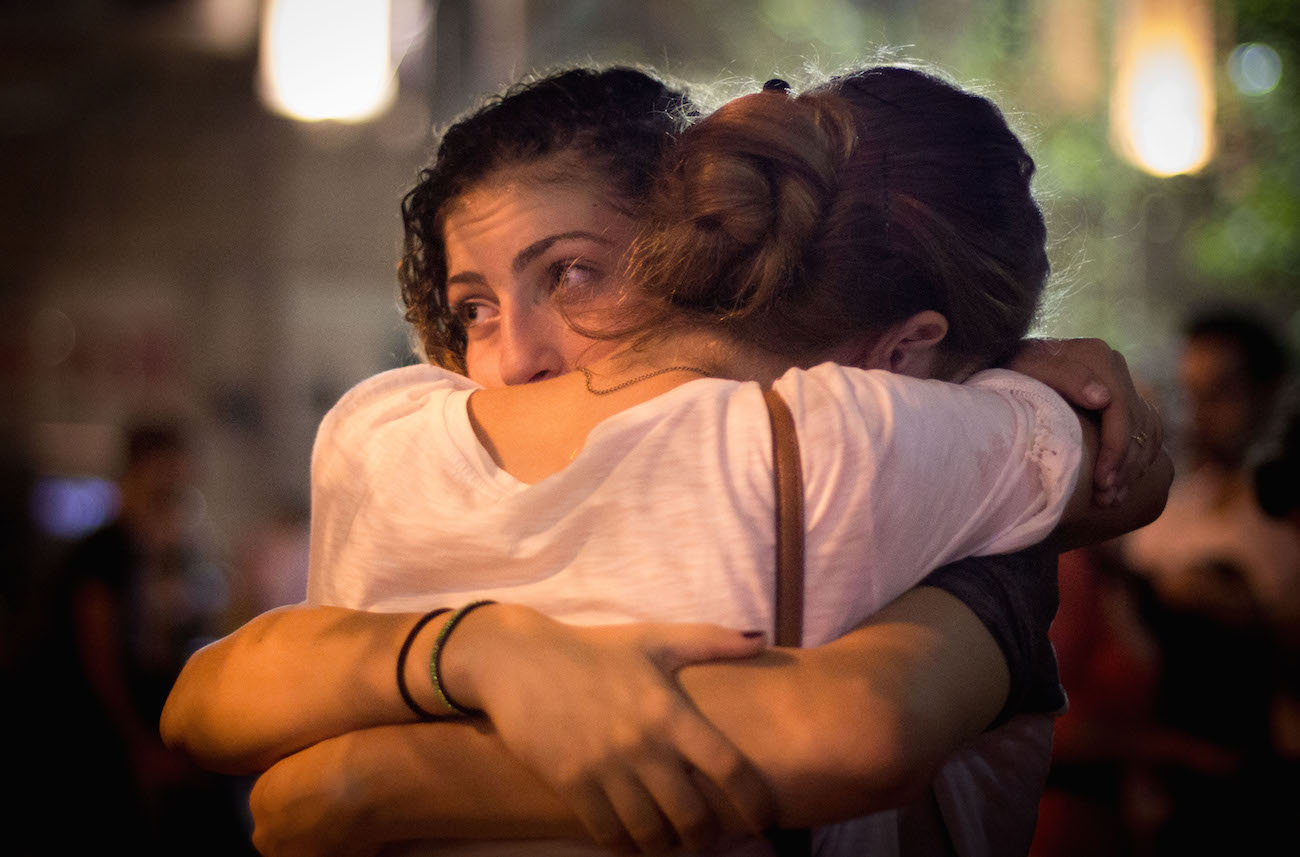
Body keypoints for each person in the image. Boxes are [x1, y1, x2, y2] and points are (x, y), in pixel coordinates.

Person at [163, 66, 1169, 856]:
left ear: (696, 246)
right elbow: (1115, 469)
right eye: (472, 306)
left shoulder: (381, 429)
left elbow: (218, 704)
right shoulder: (871, 444)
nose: (513, 356)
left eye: (572, 274)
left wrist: (366, 776)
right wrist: (1027, 382)